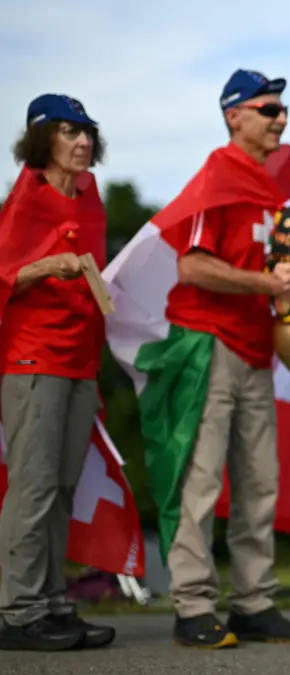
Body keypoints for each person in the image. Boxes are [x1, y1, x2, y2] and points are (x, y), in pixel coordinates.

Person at [135, 69, 290, 648]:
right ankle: (193, 607)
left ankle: (254, 603)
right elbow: (192, 266)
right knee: (200, 483)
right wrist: (267, 285)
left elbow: (277, 271)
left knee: (259, 482)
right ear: (234, 116)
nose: (281, 117)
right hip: (208, 344)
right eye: (268, 109)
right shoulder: (216, 175)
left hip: (256, 350)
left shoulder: (271, 189)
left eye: (283, 108)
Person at [0, 94, 115, 651]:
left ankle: (49, 603)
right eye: (69, 132)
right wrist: (47, 266)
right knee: (34, 487)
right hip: (33, 359)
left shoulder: (91, 201)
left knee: (64, 488)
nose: (83, 141)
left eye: (87, 131)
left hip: (79, 361)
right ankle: (18, 612)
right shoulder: (26, 199)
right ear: (42, 140)